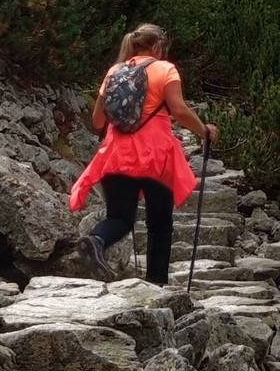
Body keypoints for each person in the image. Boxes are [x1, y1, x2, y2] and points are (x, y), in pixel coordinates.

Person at [70, 23, 218, 285]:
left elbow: (97, 121)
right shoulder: (165, 69)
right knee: (160, 224)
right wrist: (204, 130)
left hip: (116, 154)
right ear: (158, 47)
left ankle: (96, 240)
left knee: (120, 218)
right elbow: (180, 111)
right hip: (156, 157)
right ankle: (156, 283)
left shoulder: (114, 71)